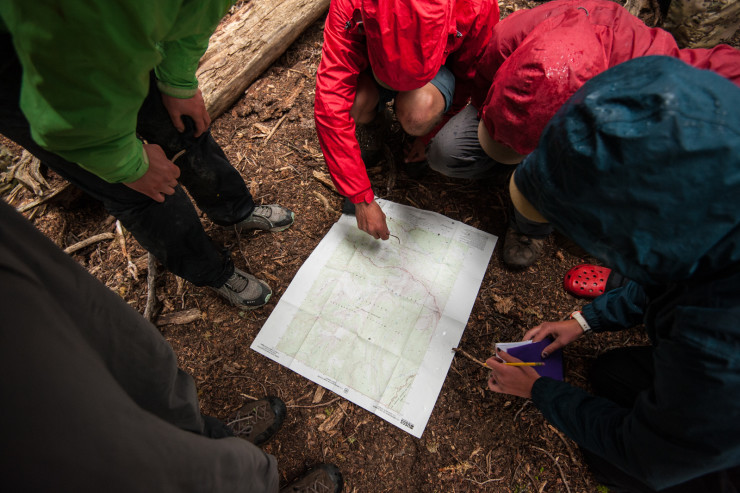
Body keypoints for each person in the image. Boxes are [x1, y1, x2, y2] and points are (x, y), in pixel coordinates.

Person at [486, 56, 740, 492]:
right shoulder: (711, 178)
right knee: (611, 374)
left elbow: (650, 457)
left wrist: (541, 393)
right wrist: (585, 320)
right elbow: (677, 273)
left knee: (613, 463)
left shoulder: (716, 344)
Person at [0, 199, 343, 492]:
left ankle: (212, 436)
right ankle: (240, 476)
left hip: (22, 284)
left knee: (141, 371)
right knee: (149, 469)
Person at [0, 1, 295, 310]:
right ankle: (211, 271)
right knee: (136, 190)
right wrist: (126, 164)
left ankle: (235, 212)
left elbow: (199, 11)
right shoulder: (64, 19)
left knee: (183, 130)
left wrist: (178, 83)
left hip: (106, 39)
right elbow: (65, 114)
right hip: (23, 77)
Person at [426, 0, 740, 268]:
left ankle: (532, 224)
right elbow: (482, 87)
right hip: (551, 115)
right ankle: (519, 173)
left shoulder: (653, 83)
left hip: (604, 127)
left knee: (579, 190)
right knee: (448, 151)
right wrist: (490, 118)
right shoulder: (511, 37)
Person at [314, 0, 499, 240]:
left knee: (419, 113)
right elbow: (331, 100)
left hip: (436, 70)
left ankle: (416, 125)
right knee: (353, 105)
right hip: (374, 62)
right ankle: (373, 122)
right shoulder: (350, 5)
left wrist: (429, 135)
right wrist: (360, 196)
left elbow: (468, 76)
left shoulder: (476, 6)